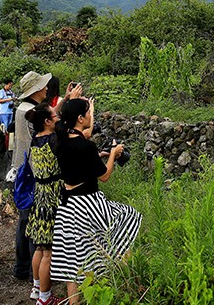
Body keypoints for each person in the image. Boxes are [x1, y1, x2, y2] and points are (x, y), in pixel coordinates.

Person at [50, 97, 142, 304]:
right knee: (127, 218)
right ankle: (125, 277)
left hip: (67, 205)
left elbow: (80, 160)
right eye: (88, 112)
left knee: (72, 255)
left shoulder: (60, 141)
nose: (91, 116)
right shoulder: (85, 146)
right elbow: (104, 176)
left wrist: (99, 154)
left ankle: (74, 301)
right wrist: (113, 155)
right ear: (81, 118)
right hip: (89, 203)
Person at [11, 70, 51, 281]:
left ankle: (22, 266)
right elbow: (46, 129)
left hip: (21, 170)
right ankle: (31, 270)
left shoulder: (22, 108)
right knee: (33, 222)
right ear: (36, 90)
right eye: (43, 86)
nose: (46, 88)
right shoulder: (30, 112)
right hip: (32, 173)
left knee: (24, 220)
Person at [24, 105, 64, 305]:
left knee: (40, 246)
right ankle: (45, 299)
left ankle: (37, 288)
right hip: (52, 195)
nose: (58, 118)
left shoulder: (35, 139)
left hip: (39, 194)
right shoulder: (54, 140)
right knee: (48, 251)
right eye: (55, 116)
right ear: (47, 121)